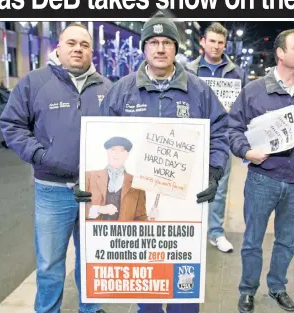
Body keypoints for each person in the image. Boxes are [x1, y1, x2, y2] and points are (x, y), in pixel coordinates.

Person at [74, 11, 229, 313]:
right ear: (144, 48)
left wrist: (213, 171)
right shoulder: (122, 90)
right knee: (148, 289)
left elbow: (220, 132)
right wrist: (88, 184)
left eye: (167, 42)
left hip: (186, 205)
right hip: (140, 208)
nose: (160, 48)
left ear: (176, 48)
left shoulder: (197, 90)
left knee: (185, 290)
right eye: (154, 42)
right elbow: (100, 138)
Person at [0, 23, 111, 313]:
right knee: (49, 263)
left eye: (84, 45)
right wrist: (41, 155)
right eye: (71, 43)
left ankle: (91, 308)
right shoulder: (34, 82)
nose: (77, 49)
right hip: (52, 190)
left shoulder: (107, 88)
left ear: (91, 52)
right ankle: (48, 310)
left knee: (92, 258)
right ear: (58, 48)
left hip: (97, 191)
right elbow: (12, 124)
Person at [228, 29, 294, 313]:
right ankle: (248, 290)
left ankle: (277, 287)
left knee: (285, 243)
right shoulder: (254, 91)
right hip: (262, 180)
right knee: (252, 241)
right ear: (280, 53)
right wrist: (246, 151)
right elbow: (233, 128)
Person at [188, 22, 248, 253]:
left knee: (220, 186)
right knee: (187, 183)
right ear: (203, 42)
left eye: (220, 42)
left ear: (225, 45)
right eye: (211, 41)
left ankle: (215, 232)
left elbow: (243, 106)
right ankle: (191, 228)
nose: (215, 46)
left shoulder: (237, 73)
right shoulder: (188, 71)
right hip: (192, 136)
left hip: (221, 136)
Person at [85, 136, 147, 221]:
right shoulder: (89, 176)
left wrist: (152, 220)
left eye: (122, 150)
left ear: (127, 155)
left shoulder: (137, 183)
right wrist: (99, 209)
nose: (116, 154)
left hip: (123, 233)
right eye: (113, 149)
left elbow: (141, 218)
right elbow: (78, 209)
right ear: (107, 152)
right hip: (94, 232)